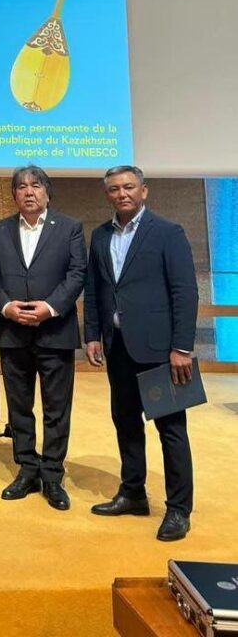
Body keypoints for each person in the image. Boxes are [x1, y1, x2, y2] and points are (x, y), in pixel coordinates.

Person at [84, 165, 198, 541]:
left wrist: (181, 347)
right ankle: (133, 492)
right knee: (126, 422)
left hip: (160, 351)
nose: (122, 194)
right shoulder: (101, 236)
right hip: (117, 347)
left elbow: (185, 291)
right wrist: (92, 335)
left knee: (171, 429)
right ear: (107, 194)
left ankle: (178, 509)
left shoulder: (167, 232)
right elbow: (96, 290)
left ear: (144, 191)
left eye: (129, 187)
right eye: (115, 189)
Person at [0, 165, 86, 510]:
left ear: (47, 193)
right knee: (19, 407)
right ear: (14, 194)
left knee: (57, 408)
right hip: (13, 332)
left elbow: (77, 273)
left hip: (55, 331)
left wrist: (50, 307)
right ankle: (27, 468)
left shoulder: (69, 227)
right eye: (22, 186)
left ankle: (52, 475)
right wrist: (6, 306)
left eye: (36, 185)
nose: (29, 191)